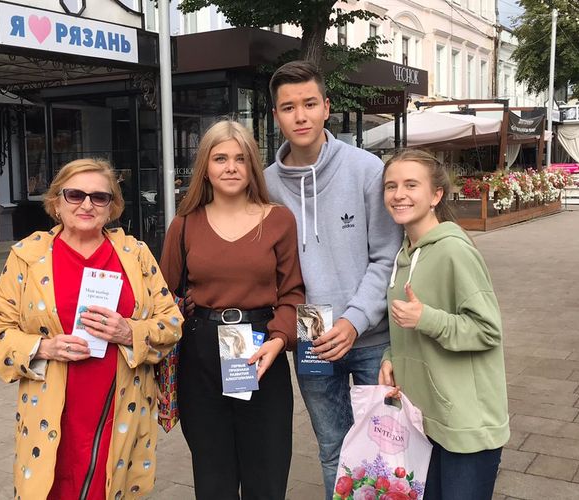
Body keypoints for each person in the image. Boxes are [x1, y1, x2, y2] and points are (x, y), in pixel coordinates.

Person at [0, 159, 183, 500]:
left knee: (108, 487)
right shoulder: (27, 256)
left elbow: (171, 323)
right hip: (52, 408)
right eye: (75, 195)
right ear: (56, 202)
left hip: (119, 404)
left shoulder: (135, 255)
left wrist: (128, 332)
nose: (87, 205)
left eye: (99, 197)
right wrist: (44, 347)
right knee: (53, 486)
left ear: (112, 206)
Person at [262, 60, 403, 499]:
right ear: (276, 116)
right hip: (311, 332)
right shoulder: (266, 185)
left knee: (384, 447)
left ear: (326, 107)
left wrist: (354, 320)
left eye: (309, 104)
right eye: (288, 107)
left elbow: (387, 256)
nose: (300, 116)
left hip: (371, 334)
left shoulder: (365, 169)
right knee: (332, 448)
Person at [160, 120, 305, 499]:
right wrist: (177, 307)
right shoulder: (184, 225)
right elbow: (161, 295)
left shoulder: (279, 220)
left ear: (252, 165)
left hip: (261, 352)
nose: (231, 167)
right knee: (214, 479)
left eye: (240, 159)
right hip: (201, 357)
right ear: (205, 167)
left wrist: (279, 339)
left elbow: (293, 293)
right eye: (220, 158)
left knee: (267, 477)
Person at [377, 149, 509, 500]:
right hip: (424, 419)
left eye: (411, 185)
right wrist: (391, 357)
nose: (399, 194)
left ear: (436, 195)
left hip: (466, 425)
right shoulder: (403, 255)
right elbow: (405, 325)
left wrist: (427, 318)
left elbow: (487, 330)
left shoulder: (454, 251)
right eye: (391, 186)